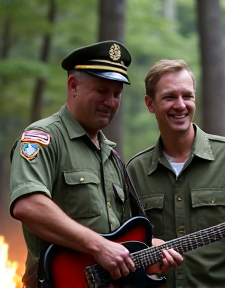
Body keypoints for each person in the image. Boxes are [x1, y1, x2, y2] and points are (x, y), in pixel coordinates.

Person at [9, 42, 183, 288]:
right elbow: (28, 206)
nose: (110, 102)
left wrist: (149, 255)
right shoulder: (44, 137)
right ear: (73, 86)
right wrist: (100, 246)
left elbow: (119, 243)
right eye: (102, 90)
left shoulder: (112, 156)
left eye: (117, 94)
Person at [126, 59, 225, 288]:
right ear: (150, 104)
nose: (180, 105)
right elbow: (129, 241)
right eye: (169, 97)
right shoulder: (134, 170)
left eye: (187, 96)